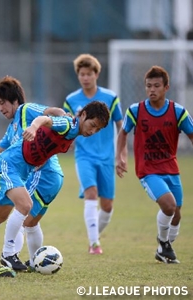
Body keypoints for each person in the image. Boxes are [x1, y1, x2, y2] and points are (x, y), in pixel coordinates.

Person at [0, 100, 110, 276]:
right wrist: (33, 127)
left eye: (97, 129)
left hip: (21, 170)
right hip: (9, 164)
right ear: (83, 115)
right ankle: (9, 254)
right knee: (25, 205)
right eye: (93, 125)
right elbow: (44, 119)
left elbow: (46, 144)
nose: (93, 131)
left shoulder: (71, 134)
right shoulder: (68, 125)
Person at [0, 76, 66, 274]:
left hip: (42, 173)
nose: (0, 108)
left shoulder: (26, 110)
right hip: (24, 172)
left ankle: (10, 256)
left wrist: (65, 118)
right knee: (3, 216)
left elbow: (54, 112)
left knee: (22, 212)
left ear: (15, 100)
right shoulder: (12, 129)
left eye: (2, 103)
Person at [116, 65, 193, 264]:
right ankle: (163, 242)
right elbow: (123, 133)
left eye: (156, 86)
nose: (152, 89)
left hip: (171, 169)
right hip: (148, 171)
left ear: (166, 87)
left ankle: (163, 248)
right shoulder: (136, 110)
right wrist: (120, 157)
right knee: (169, 205)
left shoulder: (178, 112)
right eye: (148, 86)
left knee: (176, 215)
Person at [63, 54, 123, 254]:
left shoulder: (111, 98)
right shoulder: (71, 100)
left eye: (89, 74)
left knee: (107, 206)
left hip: (106, 157)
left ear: (97, 74)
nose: (85, 77)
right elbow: (67, 125)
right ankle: (94, 243)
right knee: (91, 193)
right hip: (84, 156)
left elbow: (122, 127)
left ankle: (93, 235)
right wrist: (66, 141)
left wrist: (121, 155)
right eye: (82, 74)